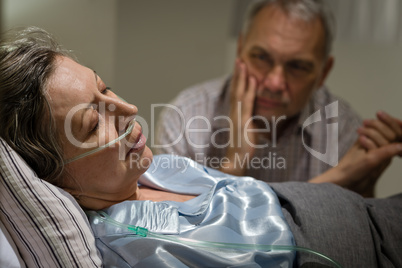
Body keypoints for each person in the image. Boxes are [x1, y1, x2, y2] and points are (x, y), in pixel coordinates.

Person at [1, 27, 402, 267]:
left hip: (362, 215)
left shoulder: (147, 170)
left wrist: (346, 176)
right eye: (92, 124)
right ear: (54, 179)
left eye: (105, 87)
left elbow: (245, 211)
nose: (129, 110)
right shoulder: (130, 244)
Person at [155, 0, 402, 197]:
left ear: (323, 72)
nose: (274, 83)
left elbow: (346, 244)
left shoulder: (343, 130)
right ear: (240, 48)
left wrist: (364, 188)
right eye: (261, 57)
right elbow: (176, 238)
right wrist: (234, 162)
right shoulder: (185, 117)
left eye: (297, 66)